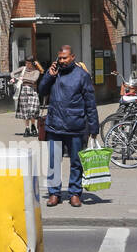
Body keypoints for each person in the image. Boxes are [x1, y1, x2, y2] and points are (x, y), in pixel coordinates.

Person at [37, 44, 98, 207]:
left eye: (65, 58)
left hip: (76, 126)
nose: (62, 61)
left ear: (73, 57)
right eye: (60, 58)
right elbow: (41, 91)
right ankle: (54, 193)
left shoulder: (82, 75)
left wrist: (94, 127)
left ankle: (75, 193)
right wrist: (48, 76)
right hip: (54, 126)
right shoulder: (54, 73)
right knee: (53, 162)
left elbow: (90, 102)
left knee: (76, 162)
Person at [11, 57, 43, 137]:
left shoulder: (36, 71)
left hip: (32, 91)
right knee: (25, 111)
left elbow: (33, 80)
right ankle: (27, 128)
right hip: (23, 91)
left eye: (28, 63)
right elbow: (12, 73)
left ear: (32, 63)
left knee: (33, 110)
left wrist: (21, 79)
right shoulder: (23, 69)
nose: (27, 65)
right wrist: (14, 78)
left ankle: (33, 125)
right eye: (26, 63)